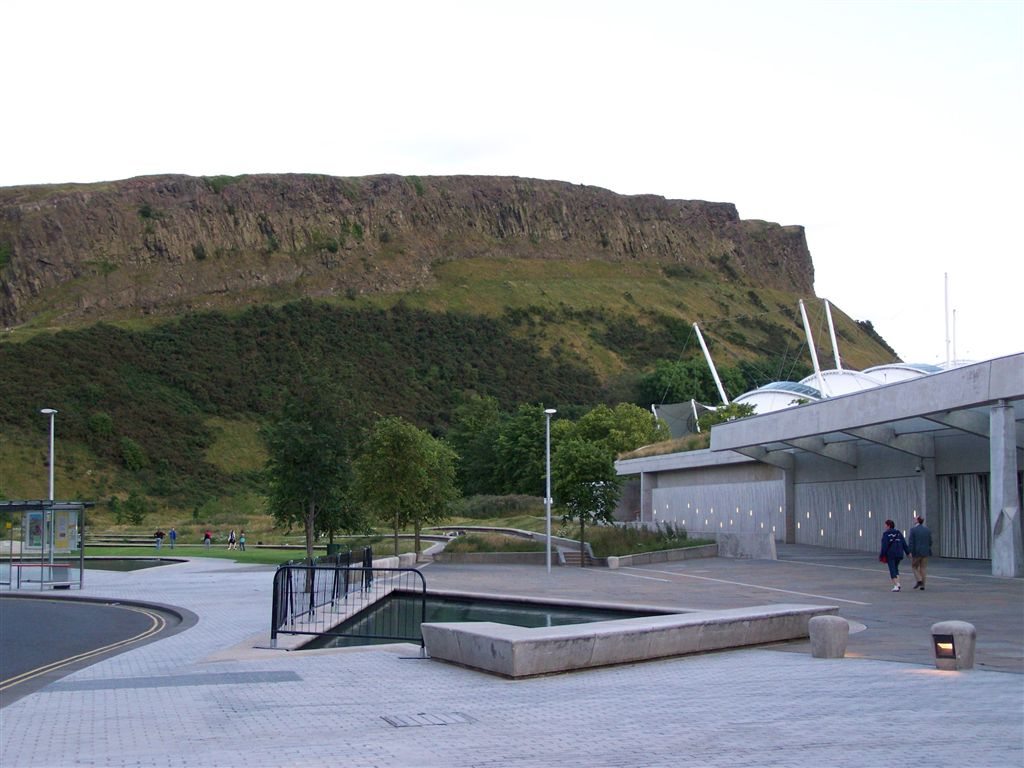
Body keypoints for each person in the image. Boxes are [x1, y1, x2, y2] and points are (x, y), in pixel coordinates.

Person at [879, 519, 910, 591]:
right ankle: (898, 583)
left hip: (891, 554)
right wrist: (908, 552)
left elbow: (884, 545)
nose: (885, 526)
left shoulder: (886, 534)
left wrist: (882, 555)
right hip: (899, 553)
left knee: (892, 569)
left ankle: (896, 585)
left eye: (886, 525)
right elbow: (904, 543)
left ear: (888, 526)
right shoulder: (898, 533)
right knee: (896, 568)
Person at [907, 516, 933, 590]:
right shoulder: (927, 530)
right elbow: (930, 541)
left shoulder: (913, 530)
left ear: (917, 521)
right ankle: (923, 585)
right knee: (923, 568)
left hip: (917, 552)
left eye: (915, 519)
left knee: (914, 566)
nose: (914, 520)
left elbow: (911, 542)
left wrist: (910, 551)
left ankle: (919, 580)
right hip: (926, 551)